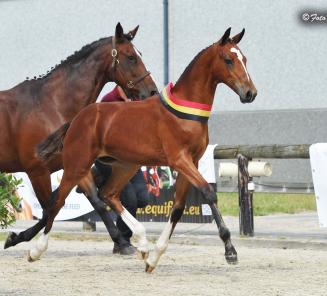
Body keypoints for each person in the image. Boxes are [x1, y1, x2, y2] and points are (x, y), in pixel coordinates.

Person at [93, 85, 150, 255]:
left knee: (142, 199)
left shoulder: (138, 99)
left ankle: (101, 181)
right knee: (130, 201)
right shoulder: (109, 100)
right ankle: (121, 241)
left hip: (132, 159)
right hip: (112, 160)